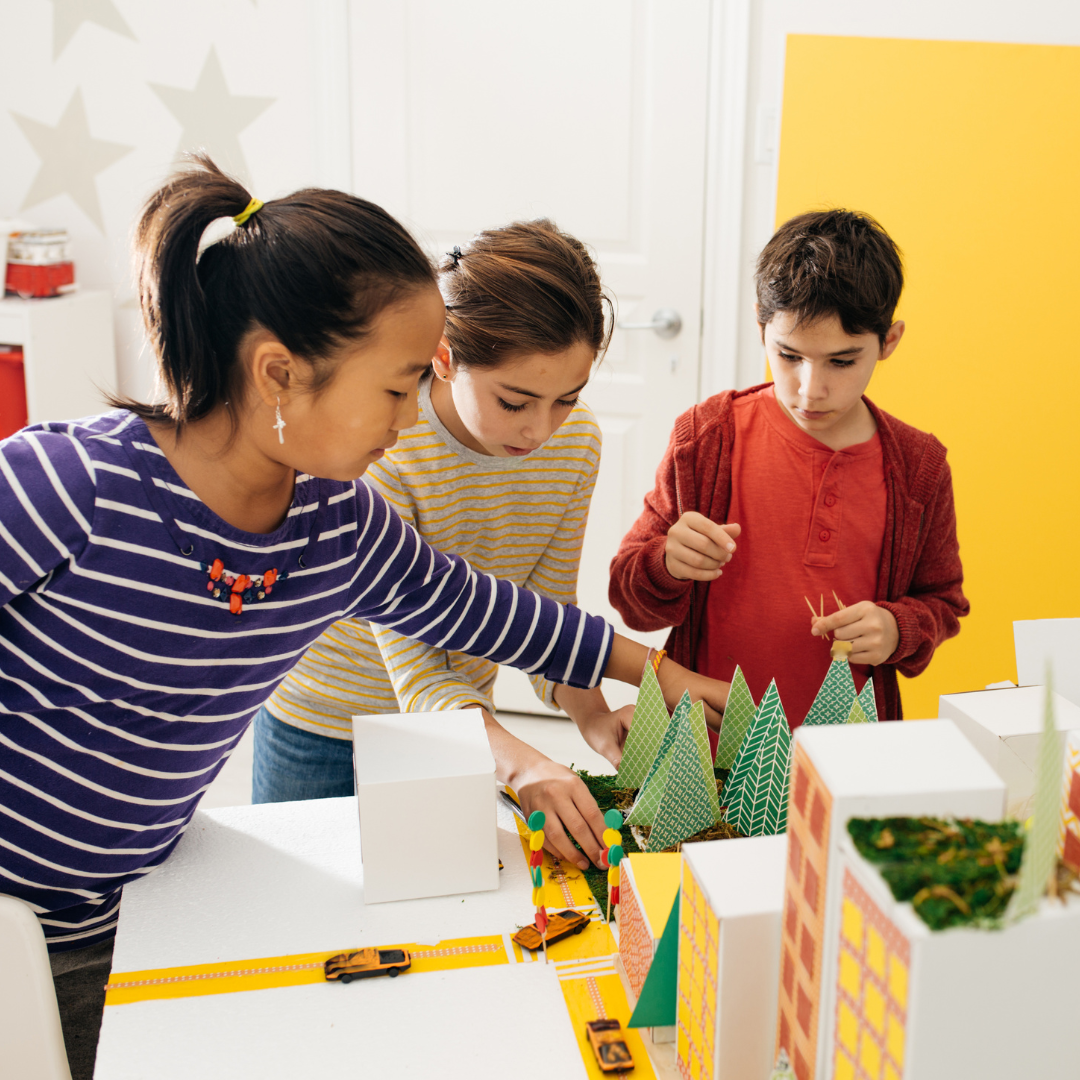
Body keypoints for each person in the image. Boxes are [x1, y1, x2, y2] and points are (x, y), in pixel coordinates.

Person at [0, 155, 726, 1080]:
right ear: (279, 373)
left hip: (140, 901)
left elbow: (490, 612)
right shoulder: (69, 484)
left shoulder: (335, 521)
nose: (408, 417)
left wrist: (663, 675)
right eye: (395, 388)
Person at [255, 220, 635, 870]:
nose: (539, 430)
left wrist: (595, 717)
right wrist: (519, 763)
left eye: (566, 399)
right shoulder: (384, 448)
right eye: (514, 401)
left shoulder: (577, 444)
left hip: (460, 726)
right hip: (322, 727)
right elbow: (418, 668)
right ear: (444, 357)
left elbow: (547, 618)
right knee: (293, 909)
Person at [609, 209, 968, 732]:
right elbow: (629, 597)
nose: (809, 388)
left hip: (847, 756)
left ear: (889, 341)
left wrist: (898, 629)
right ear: (761, 325)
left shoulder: (919, 468)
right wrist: (667, 564)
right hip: (706, 750)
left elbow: (943, 602)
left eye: (841, 362)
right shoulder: (707, 438)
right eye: (788, 355)